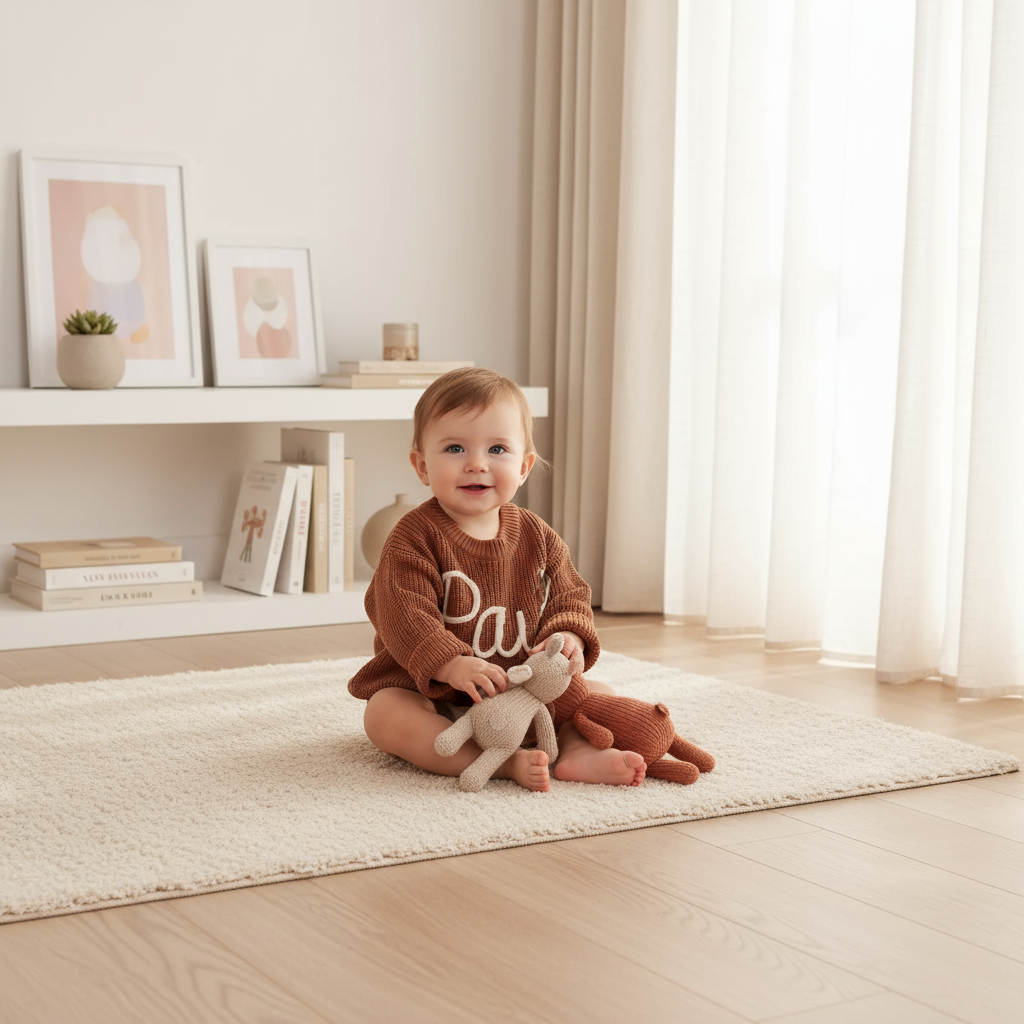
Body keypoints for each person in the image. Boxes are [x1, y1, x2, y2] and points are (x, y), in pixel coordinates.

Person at [349, 367, 647, 792]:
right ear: (422, 466)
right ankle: (499, 764)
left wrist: (569, 637)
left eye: (497, 449)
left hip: (523, 696)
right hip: (437, 698)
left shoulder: (536, 535)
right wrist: (450, 664)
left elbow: (570, 593)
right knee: (384, 713)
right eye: (455, 448)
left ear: (523, 467)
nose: (477, 464)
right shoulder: (413, 537)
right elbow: (402, 613)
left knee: (599, 694)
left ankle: (577, 752)